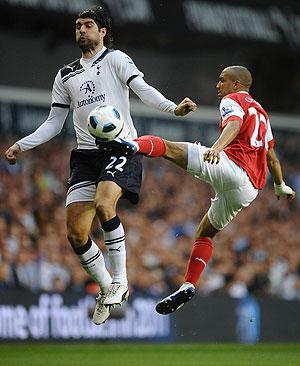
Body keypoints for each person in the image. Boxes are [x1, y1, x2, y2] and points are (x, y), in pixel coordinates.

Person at [4, 4, 196, 324]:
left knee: (105, 204)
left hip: (120, 147)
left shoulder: (116, 59)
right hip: (85, 156)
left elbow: (142, 90)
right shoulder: (65, 75)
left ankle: (120, 280)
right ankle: (107, 287)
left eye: (88, 25)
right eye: (78, 25)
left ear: (103, 31)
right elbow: (54, 123)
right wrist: (22, 144)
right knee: (76, 234)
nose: (81, 30)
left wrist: (173, 108)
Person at [115, 65, 296, 314]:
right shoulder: (262, 114)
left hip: (230, 167)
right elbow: (271, 156)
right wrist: (280, 184)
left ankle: (128, 145)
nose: (217, 85)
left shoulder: (232, 99)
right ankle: (188, 285)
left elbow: (233, 124)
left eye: (222, 80)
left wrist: (217, 148)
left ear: (236, 84)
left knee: (168, 147)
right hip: (250, 188)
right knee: (205, 232)